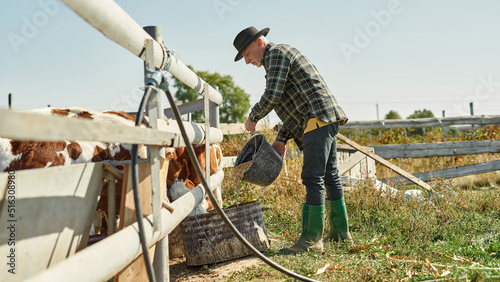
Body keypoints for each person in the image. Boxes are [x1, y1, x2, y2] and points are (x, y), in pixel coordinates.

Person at [233, 26, 353, 254]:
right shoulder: (277, 58)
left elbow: (273, 95)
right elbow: (290, 104)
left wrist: (253, 116)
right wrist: (281, 139)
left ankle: (310, 241)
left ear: (259, 43)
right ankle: (340, 234)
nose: (247, 61)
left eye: (247, 54)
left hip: (316, 118)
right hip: (322, 117)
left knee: (312, 176)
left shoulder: (276, 54)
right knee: (330, 175)